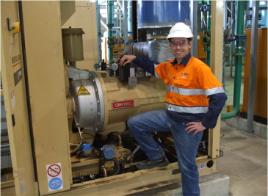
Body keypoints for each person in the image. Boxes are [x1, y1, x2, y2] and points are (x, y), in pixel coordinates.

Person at [119, 22, 227, 196]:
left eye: (182, 43)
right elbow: (154, 69)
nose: (178, 47)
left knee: (187, 166)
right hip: (170, 117)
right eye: (174, 43)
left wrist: (205, 124)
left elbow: (220, 97)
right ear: (170, 45)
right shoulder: (170, 65)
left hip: (188, 125)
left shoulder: (199, 68)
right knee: (135, 123)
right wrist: (135, 59)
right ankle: (157, 157)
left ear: (189, 44)